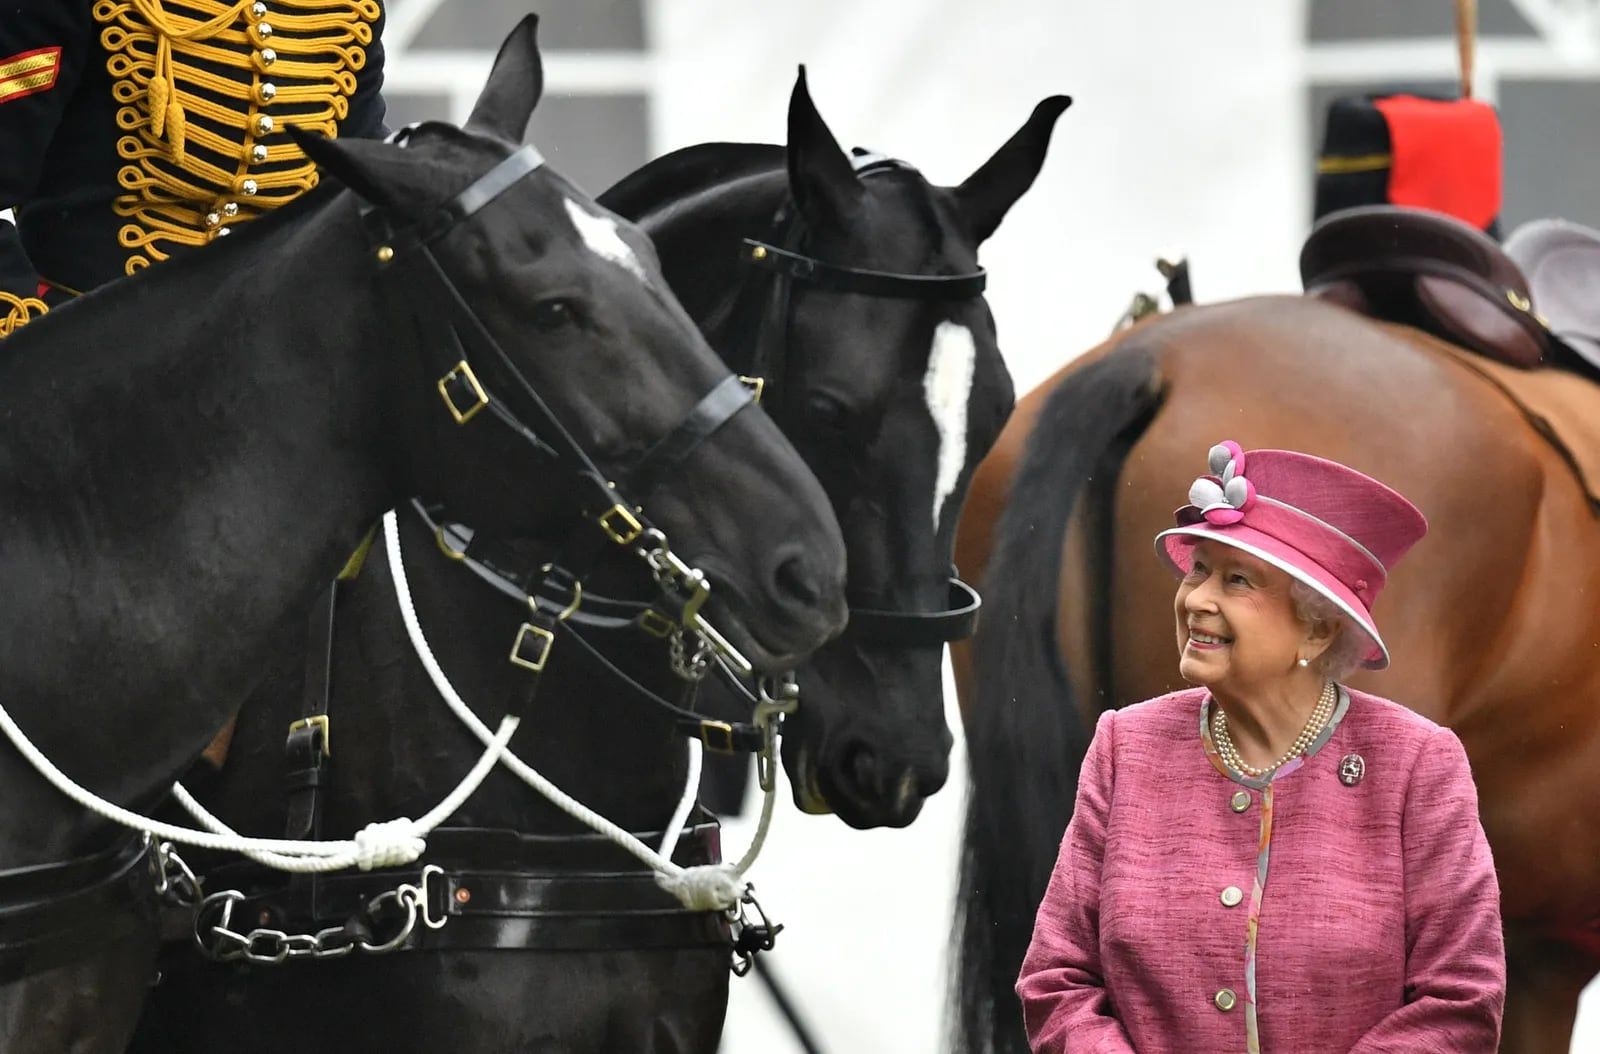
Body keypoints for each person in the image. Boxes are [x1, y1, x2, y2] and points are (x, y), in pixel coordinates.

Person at [1016, 440, 1505, 1053]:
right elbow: (1057, 980)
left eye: (1236, 579)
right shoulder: (1126, 745)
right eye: (1198, 569)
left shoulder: (1416, 764)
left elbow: (1460, 1001)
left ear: (1318, 626)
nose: (1195, 598)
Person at [0, 0, 388, 331]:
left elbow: (367, 197)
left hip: (288, 362)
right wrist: (36, 349)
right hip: (95, 366)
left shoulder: (344, 11)